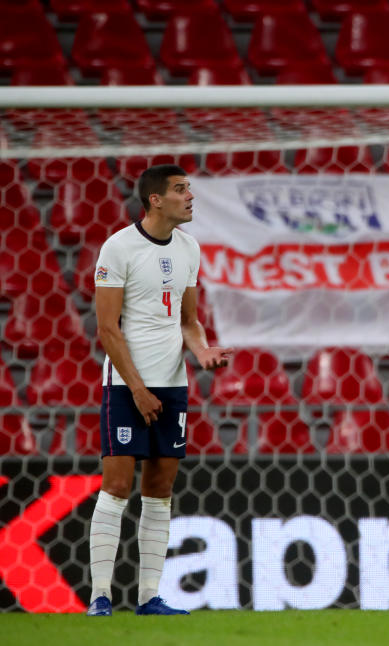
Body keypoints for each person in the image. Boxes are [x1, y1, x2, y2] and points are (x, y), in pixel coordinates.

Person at [86, 165, 232, 616]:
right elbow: (108, 330)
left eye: (189, 188)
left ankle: (149, 596)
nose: (191, 196)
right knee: (116, 486)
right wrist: (136, 388)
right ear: (155, 199)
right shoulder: (118, 247)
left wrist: (202, 351)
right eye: (180, 189)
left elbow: (188, 322)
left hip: (172, 385)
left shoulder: (189, 248)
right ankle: (100, 596)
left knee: (161, 488)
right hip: (126, 384)